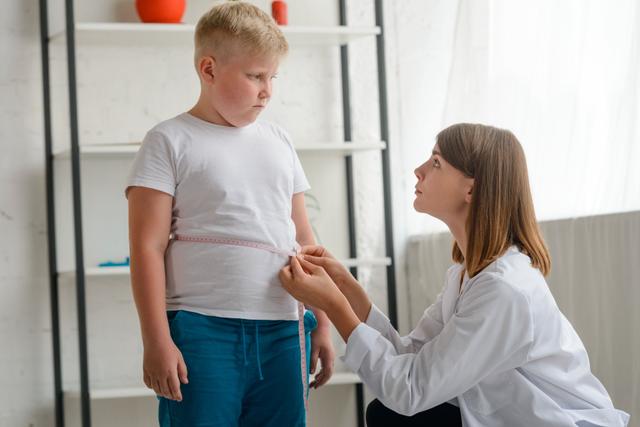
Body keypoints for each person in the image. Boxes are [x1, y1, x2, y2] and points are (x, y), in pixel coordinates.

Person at [280, 123, 630, 426]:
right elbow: (410, 356)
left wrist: (333, 305)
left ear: (471, 189)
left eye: (435, 163)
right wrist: (347, 287)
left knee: (394, 416)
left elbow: (410, 390)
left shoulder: (503, 290)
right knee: (388, 415)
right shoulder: (468, 275)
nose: (418, 171)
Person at [125, 2, 334, 426]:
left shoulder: (279, 142)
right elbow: (147, 247)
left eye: (272, 77)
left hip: (281, 330)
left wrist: (322, 323)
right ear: (209, 69)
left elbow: (305, 240)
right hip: (202, 331)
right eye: (255, 75)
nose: (267, 90)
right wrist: (156, 340)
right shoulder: (168, 141)